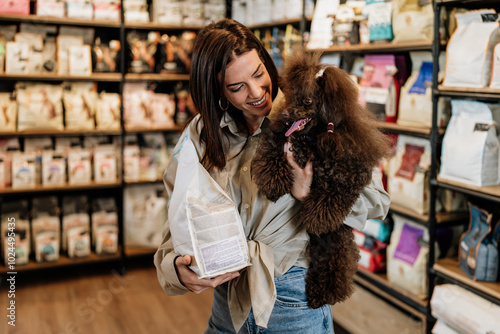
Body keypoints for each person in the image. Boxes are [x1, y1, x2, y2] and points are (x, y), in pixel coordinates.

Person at [154, 18, 390, 334]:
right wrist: (177, 271)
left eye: (258, 75)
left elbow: (377, 201)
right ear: (216, 90)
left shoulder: (313, 111)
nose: (256, 93)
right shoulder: (201, 134)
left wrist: (309, 191)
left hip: (292, 302)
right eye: (237, 87)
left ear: (267, 62)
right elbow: (177, 221)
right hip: (229, 306)